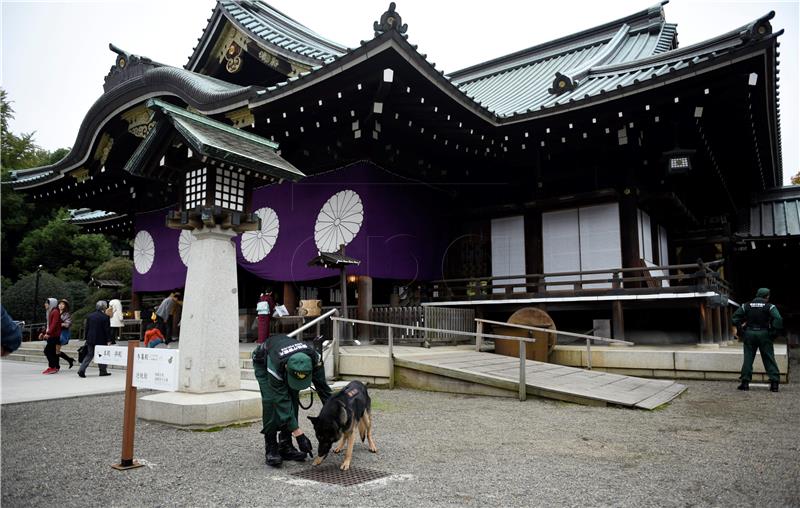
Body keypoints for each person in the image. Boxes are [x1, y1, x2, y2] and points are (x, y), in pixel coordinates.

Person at [253, 334, 332, 467]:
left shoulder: (315, 359)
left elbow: (324, 390)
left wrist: (336, 413)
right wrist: (299, 434)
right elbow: (282, 401)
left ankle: (286, 445)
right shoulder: (276, 365)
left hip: (289, 358)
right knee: (271, 402)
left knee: (293, 399)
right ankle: (271, 446)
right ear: (286, 369)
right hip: (264, 361)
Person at [732, 288, 784, 392]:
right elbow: (778, 318)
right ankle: (774, 384)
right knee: (769, 358)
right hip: (764, 333)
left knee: (748, 358)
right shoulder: (770, 306)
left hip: (749, 333)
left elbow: (735, 318)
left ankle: (745, 383)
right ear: (767, 296)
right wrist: (774, 332)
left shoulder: (746, 305)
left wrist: (740, 330)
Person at [77, 300, 112, 378]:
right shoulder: (105, 317)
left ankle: (81, 370)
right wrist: (109, 340)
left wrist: (86, 338)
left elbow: (87, 328)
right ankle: (103, 371)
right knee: (102, 355)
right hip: (101, 339)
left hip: (90, 339)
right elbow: (107, 330)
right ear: (104, 307)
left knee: (89, 355)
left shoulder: (90, 316)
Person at [40, 298, 62, 374]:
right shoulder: (50, 312)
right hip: (52, 335)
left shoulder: (55, 312)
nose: (45, 304)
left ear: (51, 304)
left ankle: (52, 367)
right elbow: (48, 324)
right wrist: (43, 333)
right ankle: (56, 366)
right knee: (52, 352)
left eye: (47, 303)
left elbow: (54, 324)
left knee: (47, 351)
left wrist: (48, 333)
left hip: (54, 335)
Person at [56, 299, 76, 368]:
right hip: (55, 333)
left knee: (56, 350)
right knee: (56, 351)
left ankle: (57, 366)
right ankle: (69, 360)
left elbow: (68, 324)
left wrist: (59, 324)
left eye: (62, 304)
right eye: (60, 304)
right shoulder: (56, 312)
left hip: (62, 333)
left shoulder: (67, 314)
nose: (61, 305)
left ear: (65, 306)